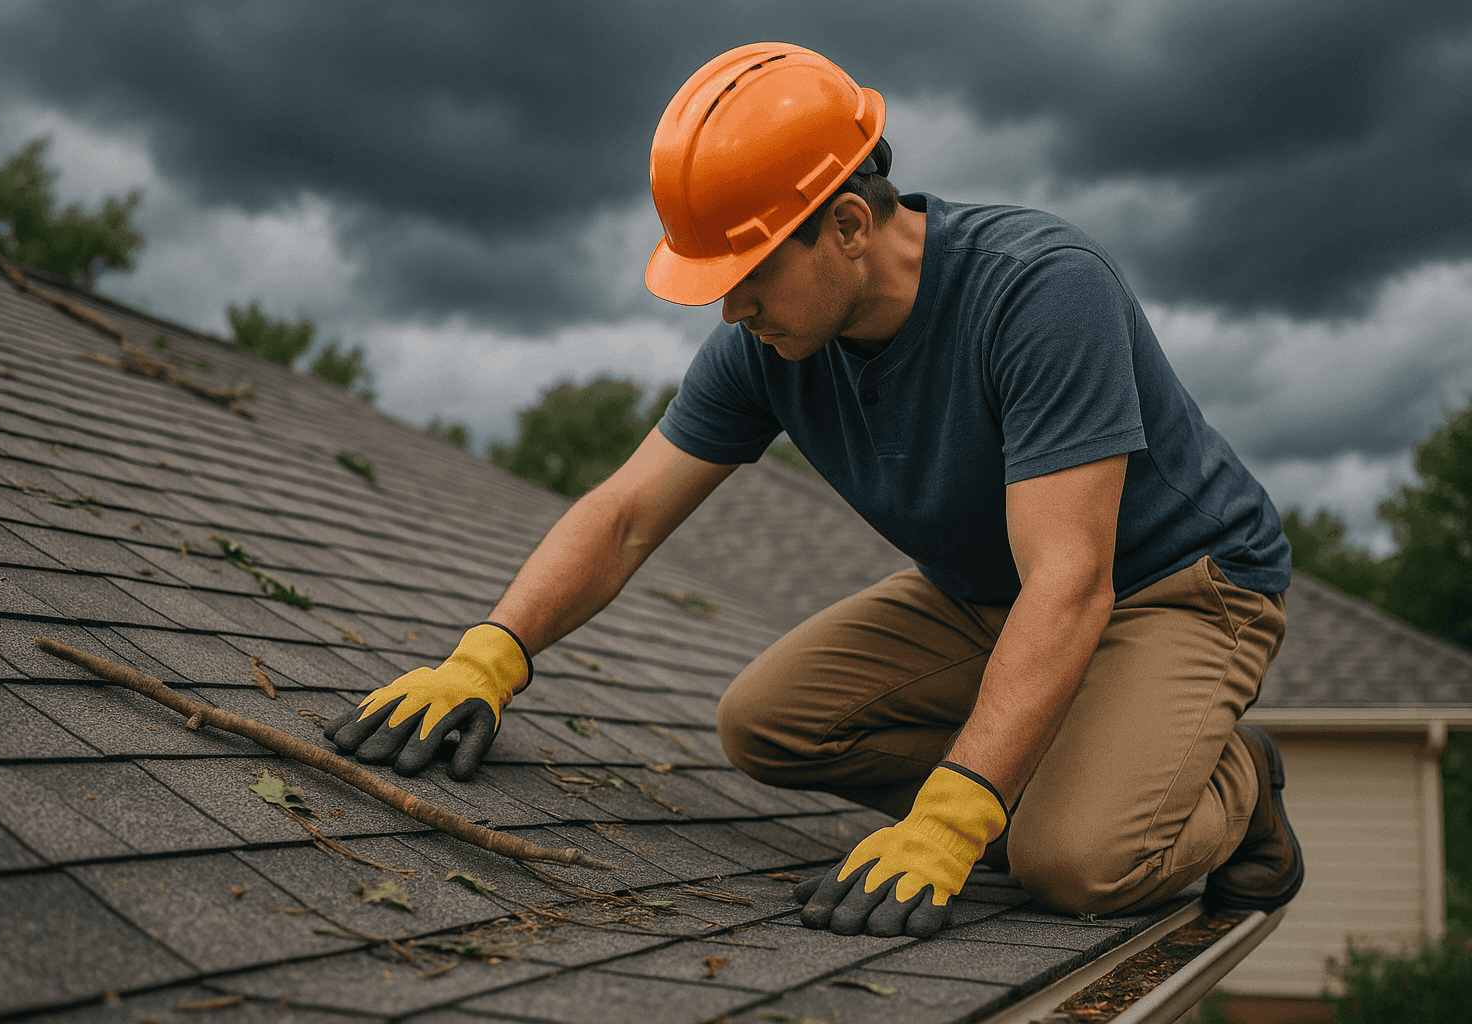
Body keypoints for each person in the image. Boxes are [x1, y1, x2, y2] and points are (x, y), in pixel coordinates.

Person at [325, 42, 1303, 939]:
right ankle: (1083, 759)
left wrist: (955, 815)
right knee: (769, 723)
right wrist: (488, 658)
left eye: (747, 271)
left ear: (845, 225)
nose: (729, 305)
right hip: (990, 591)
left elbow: (1073, 581)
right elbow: (624, 515)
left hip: (1174, 587)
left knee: (1071, 860)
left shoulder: (1040, 292)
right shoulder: (768, 344)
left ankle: (1239, 782)